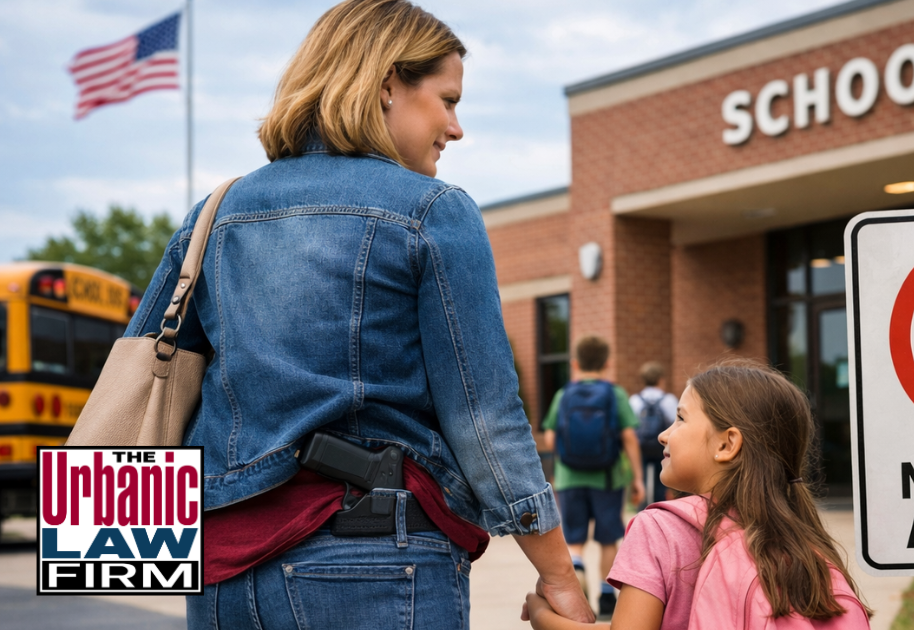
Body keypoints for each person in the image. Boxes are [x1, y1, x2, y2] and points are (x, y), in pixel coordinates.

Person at [128, 1, 591, 627]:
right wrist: (558, 572)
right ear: (385, 87)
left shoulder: (217, 212)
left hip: (218, 575)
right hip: (371, 561)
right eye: (449, 100)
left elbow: (144, 382)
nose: (456, 128)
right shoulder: (432, 212)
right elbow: (483, 416)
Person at [524, 361, 871, 630]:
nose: (663, 434)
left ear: (727, 444)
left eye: (679, 419)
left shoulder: (660, 529)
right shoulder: (804, 539)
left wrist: (541, 616)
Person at [542, 336, 646, 619]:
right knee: (608, 538)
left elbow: (551, 437)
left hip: (569, 479)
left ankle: (578, 571)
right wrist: (637, 478)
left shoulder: (564, 394)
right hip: (608, 478)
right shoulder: (615, 394)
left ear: (575, 363)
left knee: (574, 537)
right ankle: (607, 598)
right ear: (607, 363)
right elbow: (629, 437)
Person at [629, 362, 678, 508]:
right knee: (661, 482)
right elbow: (677, 423)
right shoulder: (669, 400)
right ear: (661, 379)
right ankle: (659, 511)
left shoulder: (635, 400)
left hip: (641, 447)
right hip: (661, 447)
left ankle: (641, 512)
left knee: (641, 482)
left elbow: (631, 427)